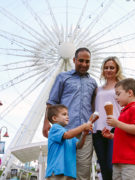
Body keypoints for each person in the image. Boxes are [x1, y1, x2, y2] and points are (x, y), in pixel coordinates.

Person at [43, 47, 97, 179]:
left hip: (86, 132)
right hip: (66, 131)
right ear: (74, 60)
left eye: (87, 61)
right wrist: (46, 122)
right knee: (64, 171)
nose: (84, 64)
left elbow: (94, 106)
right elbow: (52, 101)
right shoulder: (63, 78)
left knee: (84, 170)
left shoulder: (93, 82)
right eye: (81, 61)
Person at [102, 78, 135, 180]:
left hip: (132, 161)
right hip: (119, 160)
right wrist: (112, 136)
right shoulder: (124, 112)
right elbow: (126, 135)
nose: (116, 97)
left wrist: (117, 123)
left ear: (130, 93)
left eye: (118, 94)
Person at [93, 56, 125, 180]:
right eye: (106, 68)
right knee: (104, 168)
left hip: (114, 129)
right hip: (98, 130)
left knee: (112, 166)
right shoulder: (98, 89)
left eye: (112, 67)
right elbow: (95, 108)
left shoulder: (121, 86)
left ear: (117, 69)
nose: (109, 70)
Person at [45, 104, 94, 179]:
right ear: (55, 118)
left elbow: (79, 145)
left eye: (67, 114)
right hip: (57, 172)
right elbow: (67, 135)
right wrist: (83, 126)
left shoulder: (68, 132)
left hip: (69, 172)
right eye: (64, 114)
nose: (67, 116)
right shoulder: (55, 128)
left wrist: (84, 134)